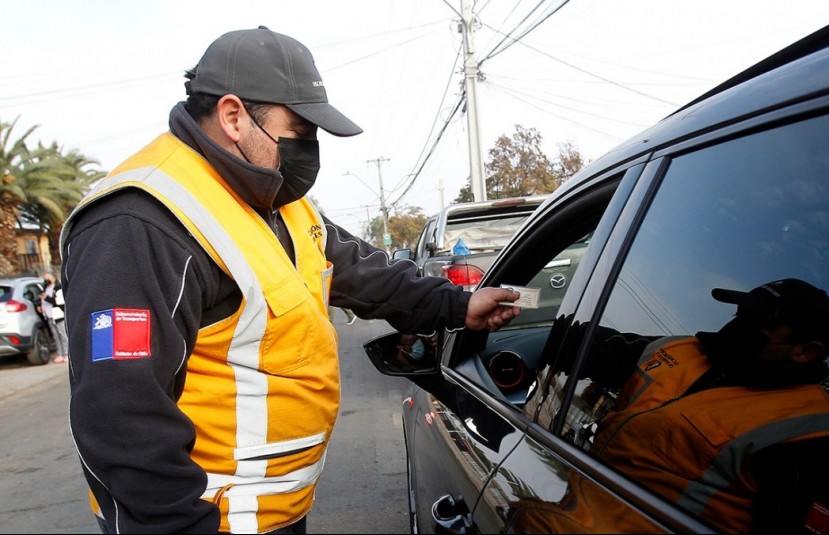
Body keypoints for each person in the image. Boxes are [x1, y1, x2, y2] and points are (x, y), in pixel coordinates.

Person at [58, 26, 520, 534]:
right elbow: (120, 416)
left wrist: (458, 305)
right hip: (207, 521)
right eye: (299, 131)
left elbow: (362, 272)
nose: (310, 148)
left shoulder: (275, 201)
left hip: (271, 515)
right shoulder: (141, 222)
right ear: (234, 116)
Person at [590, 278, 829, 534]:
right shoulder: (683, 351)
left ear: (805, 351)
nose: (739, 325)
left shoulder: (817, 441)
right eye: (742, 312)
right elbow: (585, 345)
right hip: (574, 506)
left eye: (758, 322)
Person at [39, 271, 68, 363]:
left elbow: (59, 301)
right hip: (49, 315)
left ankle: (67, 354)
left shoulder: (58, 287)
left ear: (53, 277)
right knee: (56, 335)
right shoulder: (46, 288)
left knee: (62, 334)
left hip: (58, 315)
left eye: (48, 277)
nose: (46, 279)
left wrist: (46, 298)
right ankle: (60, 353)